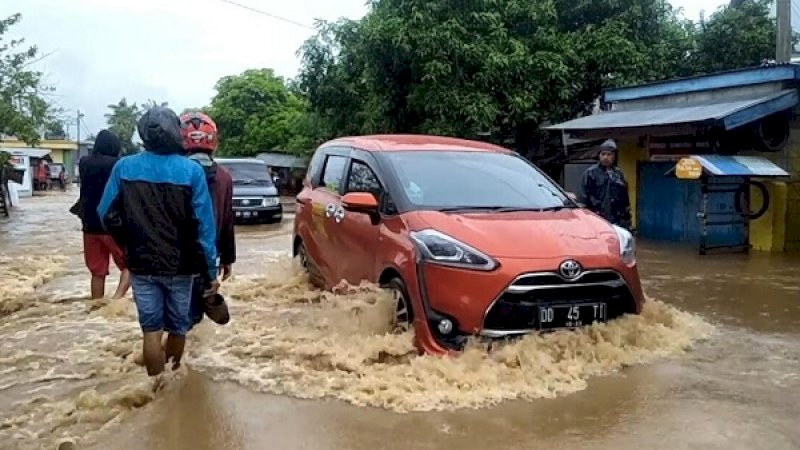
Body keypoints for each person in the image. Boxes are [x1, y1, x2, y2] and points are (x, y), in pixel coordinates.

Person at [97, 106, 219, 377]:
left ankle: (156, 390)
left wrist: (128, 243)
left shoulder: (124, 167)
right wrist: (210, 272)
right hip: (182, 266)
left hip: (141, 264)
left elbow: (105, 214)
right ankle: (172, 387)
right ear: (177, 132)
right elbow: (205, 229)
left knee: (151, 332)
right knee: (178, 328)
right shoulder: (192, 171)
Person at [179, 111, 235, 328]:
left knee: (175, 319)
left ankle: (172, 359)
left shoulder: (173, 172)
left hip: (174, 257)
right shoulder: (224, 177)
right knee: (193, 317)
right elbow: (227, 221)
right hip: (207, 259)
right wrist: (228, 258)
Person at [77, 130, 131, 300]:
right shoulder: (119, 164)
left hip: (90, 225)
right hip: (114, 224)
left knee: (97, 272)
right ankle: (117, 300)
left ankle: (96, 306)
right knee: (131, 265)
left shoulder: (84, 163)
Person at [578, 139, 632, 230]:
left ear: (614, 156)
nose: (605, 157)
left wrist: (628, 221)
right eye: (603, 154)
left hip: (616, 220)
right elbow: (583, 198)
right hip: (597, 219)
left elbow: (625, 199)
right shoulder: (591, 173)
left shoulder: (618, 174)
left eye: (609, 154)